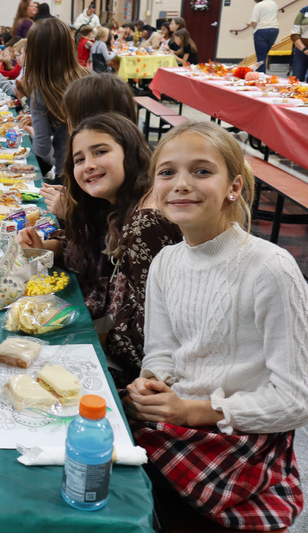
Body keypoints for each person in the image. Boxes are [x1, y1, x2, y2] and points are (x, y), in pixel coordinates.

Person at [124, 120, 307, 531]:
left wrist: (193, 410)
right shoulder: (166, 262)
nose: (181, 184)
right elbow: (161, 350)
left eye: (201, 171)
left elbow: (296, 400)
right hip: (177, 420)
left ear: (234, 188)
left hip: (239, 437)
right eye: (167, 172)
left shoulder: (270, 270)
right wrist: (152, 380)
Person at [18, 113, 181, 388]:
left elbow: (148, 329)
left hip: (143, 376)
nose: (89, 165)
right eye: (79, 159)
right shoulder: (116, 201)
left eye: (100, 151)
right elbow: (91, 246)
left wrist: (84, 334)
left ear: (129, 151)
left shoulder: (146, 224)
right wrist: (46, 247)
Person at [37, 73, 137, 221]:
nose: (68, 124)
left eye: (70, 117)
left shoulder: (137, 211)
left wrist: (72, 216)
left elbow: (105, 239)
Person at [23, 17, 89, 179]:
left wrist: (32, 131)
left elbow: (42, 147)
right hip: (96, 167)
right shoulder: (88, 76)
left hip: (67, 171)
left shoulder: (42, 90)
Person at [291, 6, 308, 82]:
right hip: (301, 50)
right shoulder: (303, 11)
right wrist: (304, 49)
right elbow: (294, 34)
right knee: (296, 81)